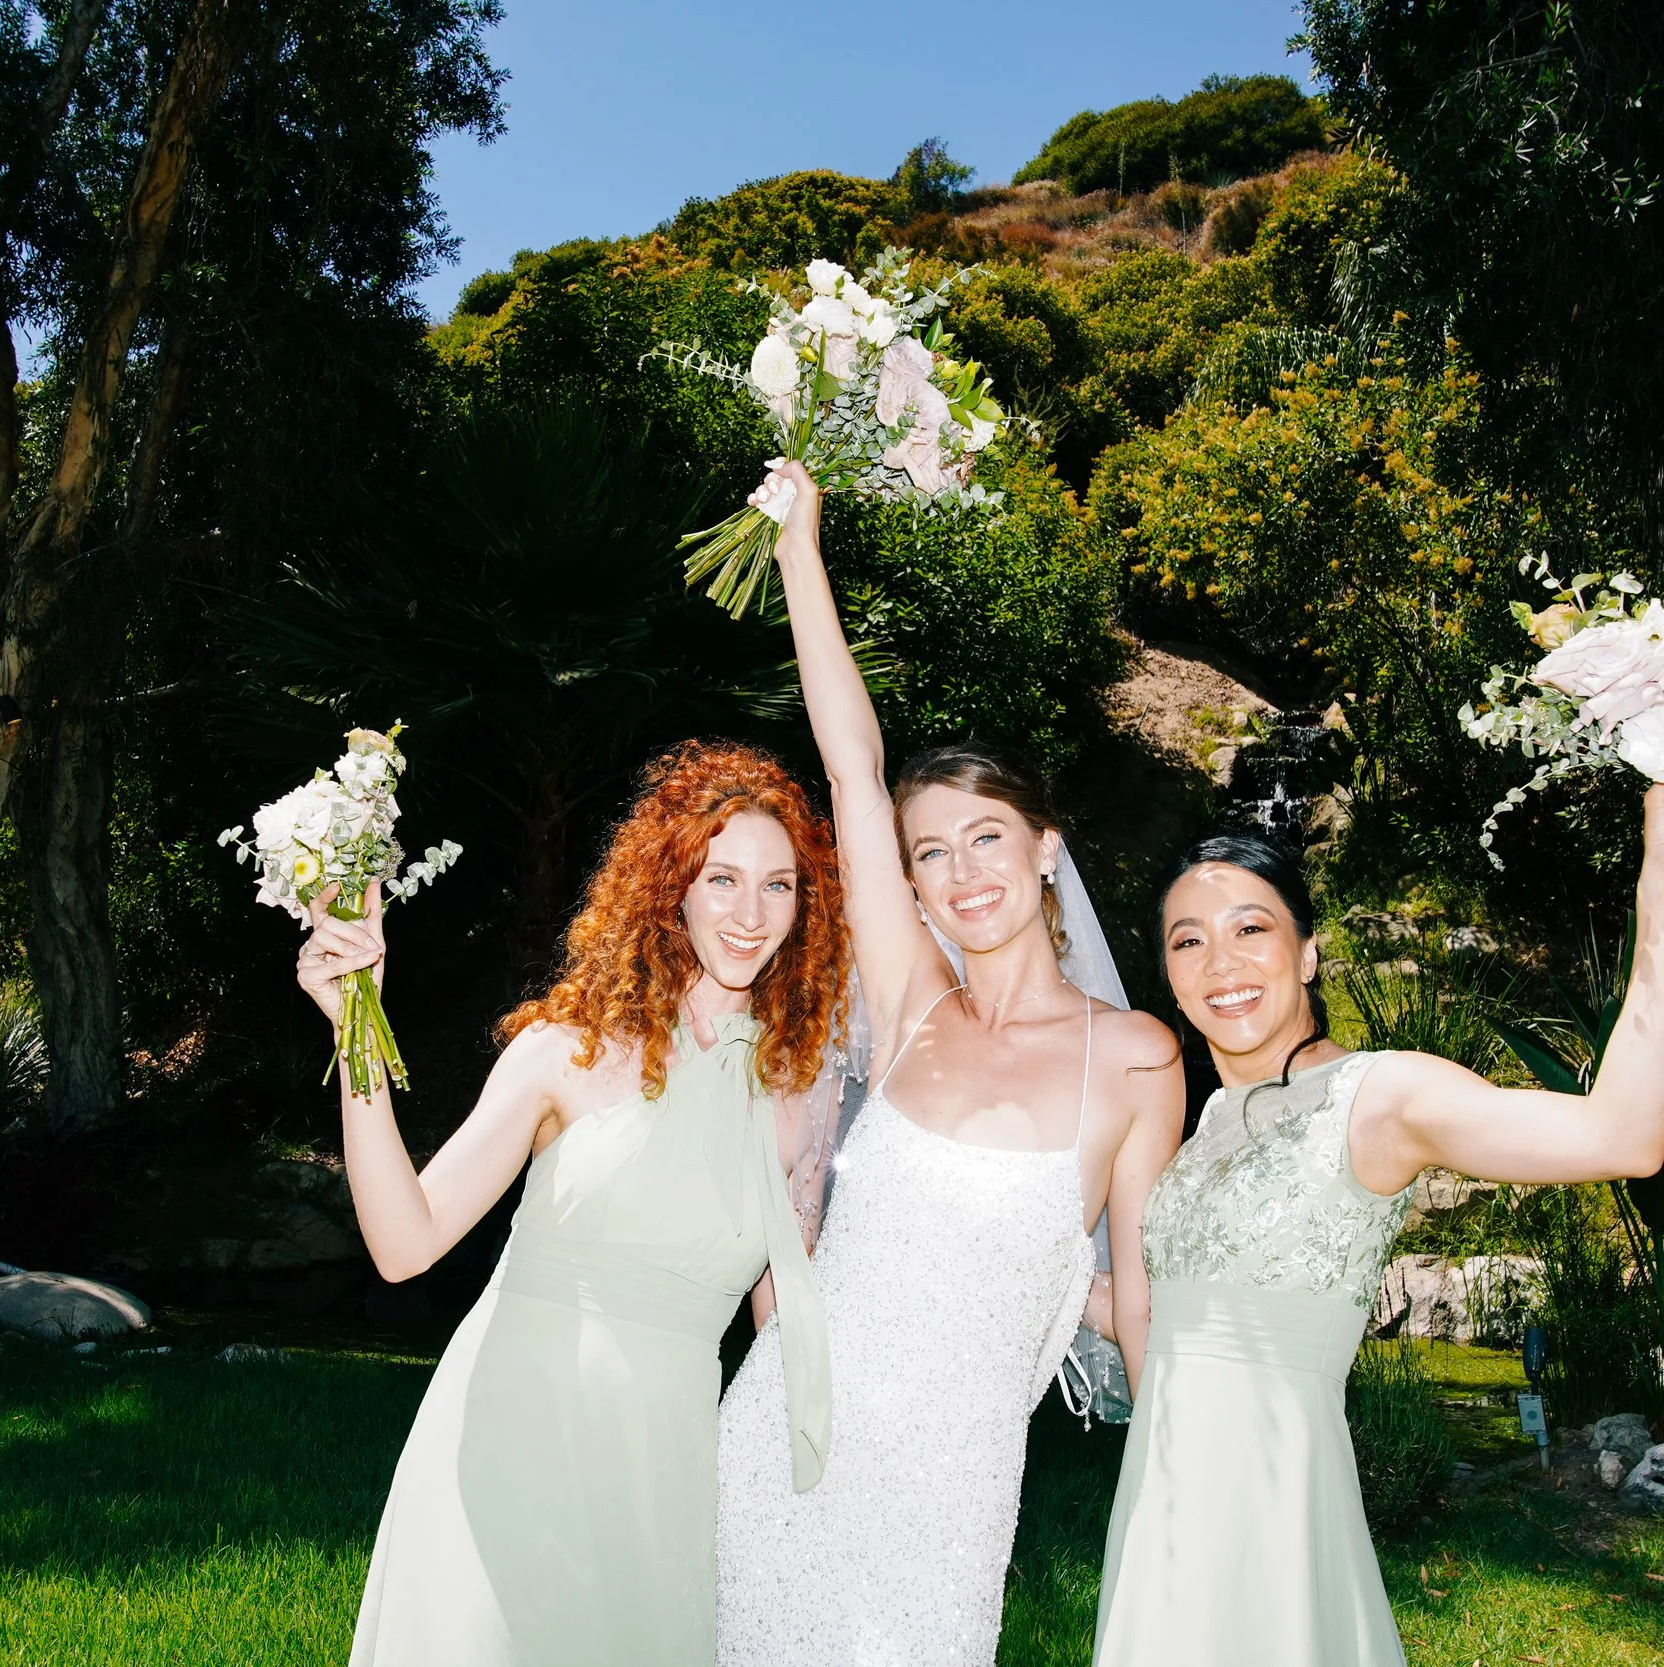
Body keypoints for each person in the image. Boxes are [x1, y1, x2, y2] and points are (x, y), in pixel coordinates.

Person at [1093, 759, 1664, 1665]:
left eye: (1252, 927)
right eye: (1188, 940)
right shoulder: (1207, 1120)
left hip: (1275, 1497)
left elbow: (1625, 1134)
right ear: (1166, 971)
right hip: (1163, 1493)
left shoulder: (1380, 1096)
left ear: (1309, 950)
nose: (1223, 963)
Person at [715, 462, 1186, 1667]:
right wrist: (798, 554)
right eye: (932, 853)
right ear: (911, 885)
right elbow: (850, 768)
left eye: (988, 837)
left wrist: (1185, 1467)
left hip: (952, 1494)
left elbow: (1137, 1290)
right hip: (784, 1430)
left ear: (1044, 849)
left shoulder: (1134, 1061)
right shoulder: (910, 1005)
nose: (963, 870)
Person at [296, 741, 846, 1667]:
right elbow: (404, 1245)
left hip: (659, 1473)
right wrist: (359, 1030)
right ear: (671, 884)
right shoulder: (567, 1048)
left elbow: (784, 1321)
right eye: (722, 878)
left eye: (779, 885)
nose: (751, 915)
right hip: (509, 1438)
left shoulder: (800, 1090)